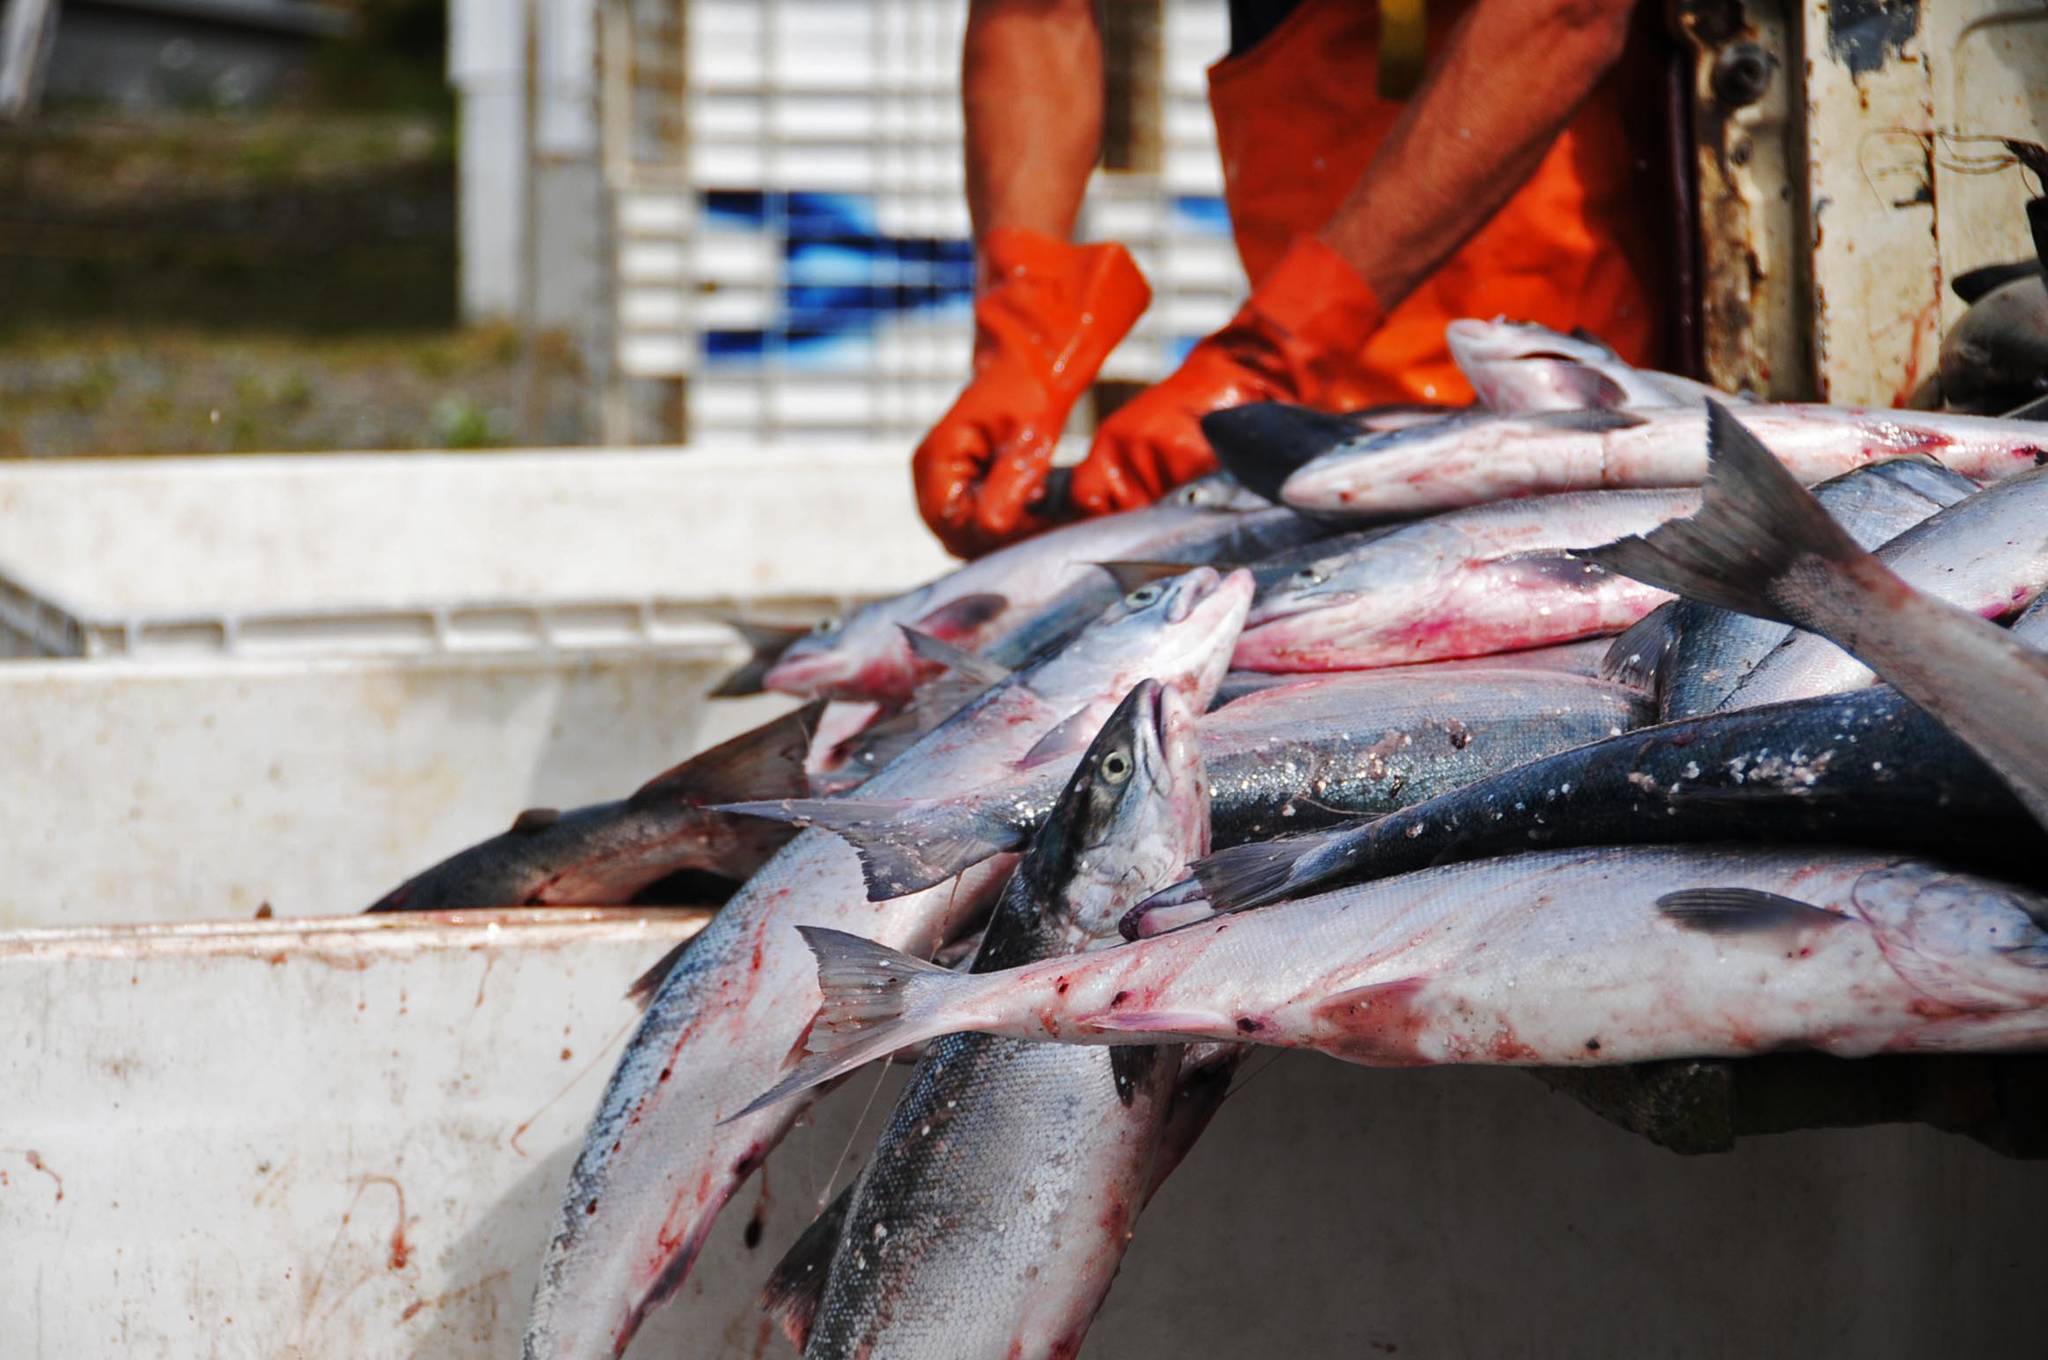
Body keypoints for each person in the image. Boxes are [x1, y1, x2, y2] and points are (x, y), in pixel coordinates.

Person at [913, 0, 1666, 558]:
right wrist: (1023, 322)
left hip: (1571, 367)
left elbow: (1564, 13)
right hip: (1324, 398)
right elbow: (1038, 13)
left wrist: (1273, 347)